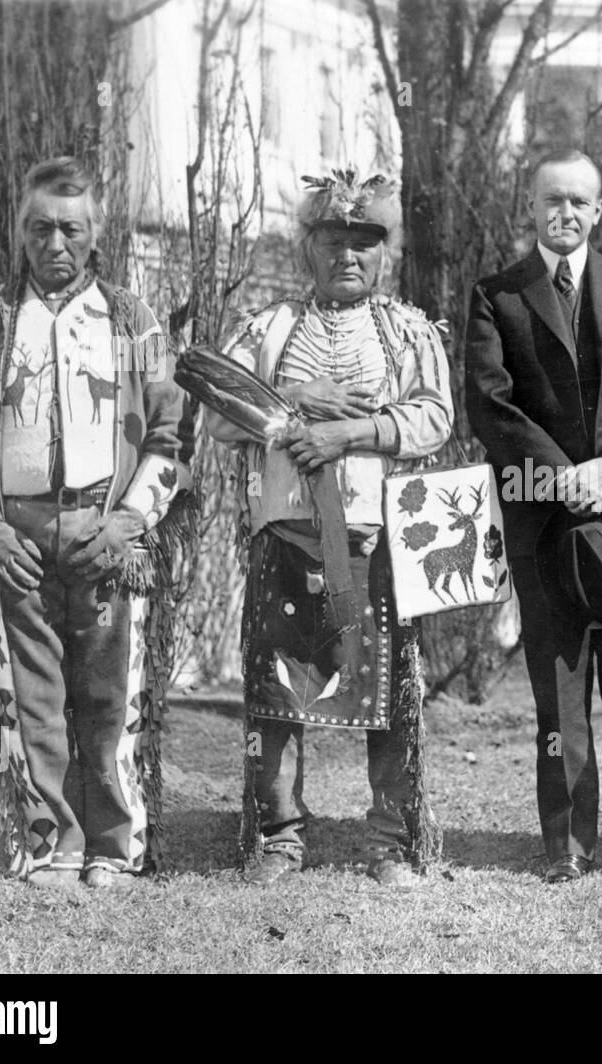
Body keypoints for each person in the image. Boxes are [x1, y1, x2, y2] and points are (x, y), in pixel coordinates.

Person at [0, 156, 192, 891]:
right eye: (40, 228)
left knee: (110, 698)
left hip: (105, 534)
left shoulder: (135, 323)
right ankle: (51, 843)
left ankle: (113, 846)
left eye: (71, 229)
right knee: (32, 697)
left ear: (95, 233)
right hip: (16, 537)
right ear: (20, 233)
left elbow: (171, 439)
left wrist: (131, 522)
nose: (55, 244)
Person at [201, 167, 453, 889]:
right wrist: (290, 400)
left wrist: (350, 433)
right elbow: (219, 414)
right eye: (333, 241)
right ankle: (278, 836)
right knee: (276, 694)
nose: (348, 255)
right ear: (307, 247)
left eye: (364, 243)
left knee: (388, 696)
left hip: (375, 544)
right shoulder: (269, 327)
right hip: (286, 537)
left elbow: (435, 418)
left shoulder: (406, 329)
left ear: (384, 253)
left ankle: (392, 841)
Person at [465, 149, 602, 883]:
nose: (564, 213)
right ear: (531, 208)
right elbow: (490, 404)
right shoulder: (497, 296)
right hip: (545, 520)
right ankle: (566, 847)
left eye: (578, 202)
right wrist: (563, 476)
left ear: (599, 211)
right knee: (560, 691)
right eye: (550, 200)